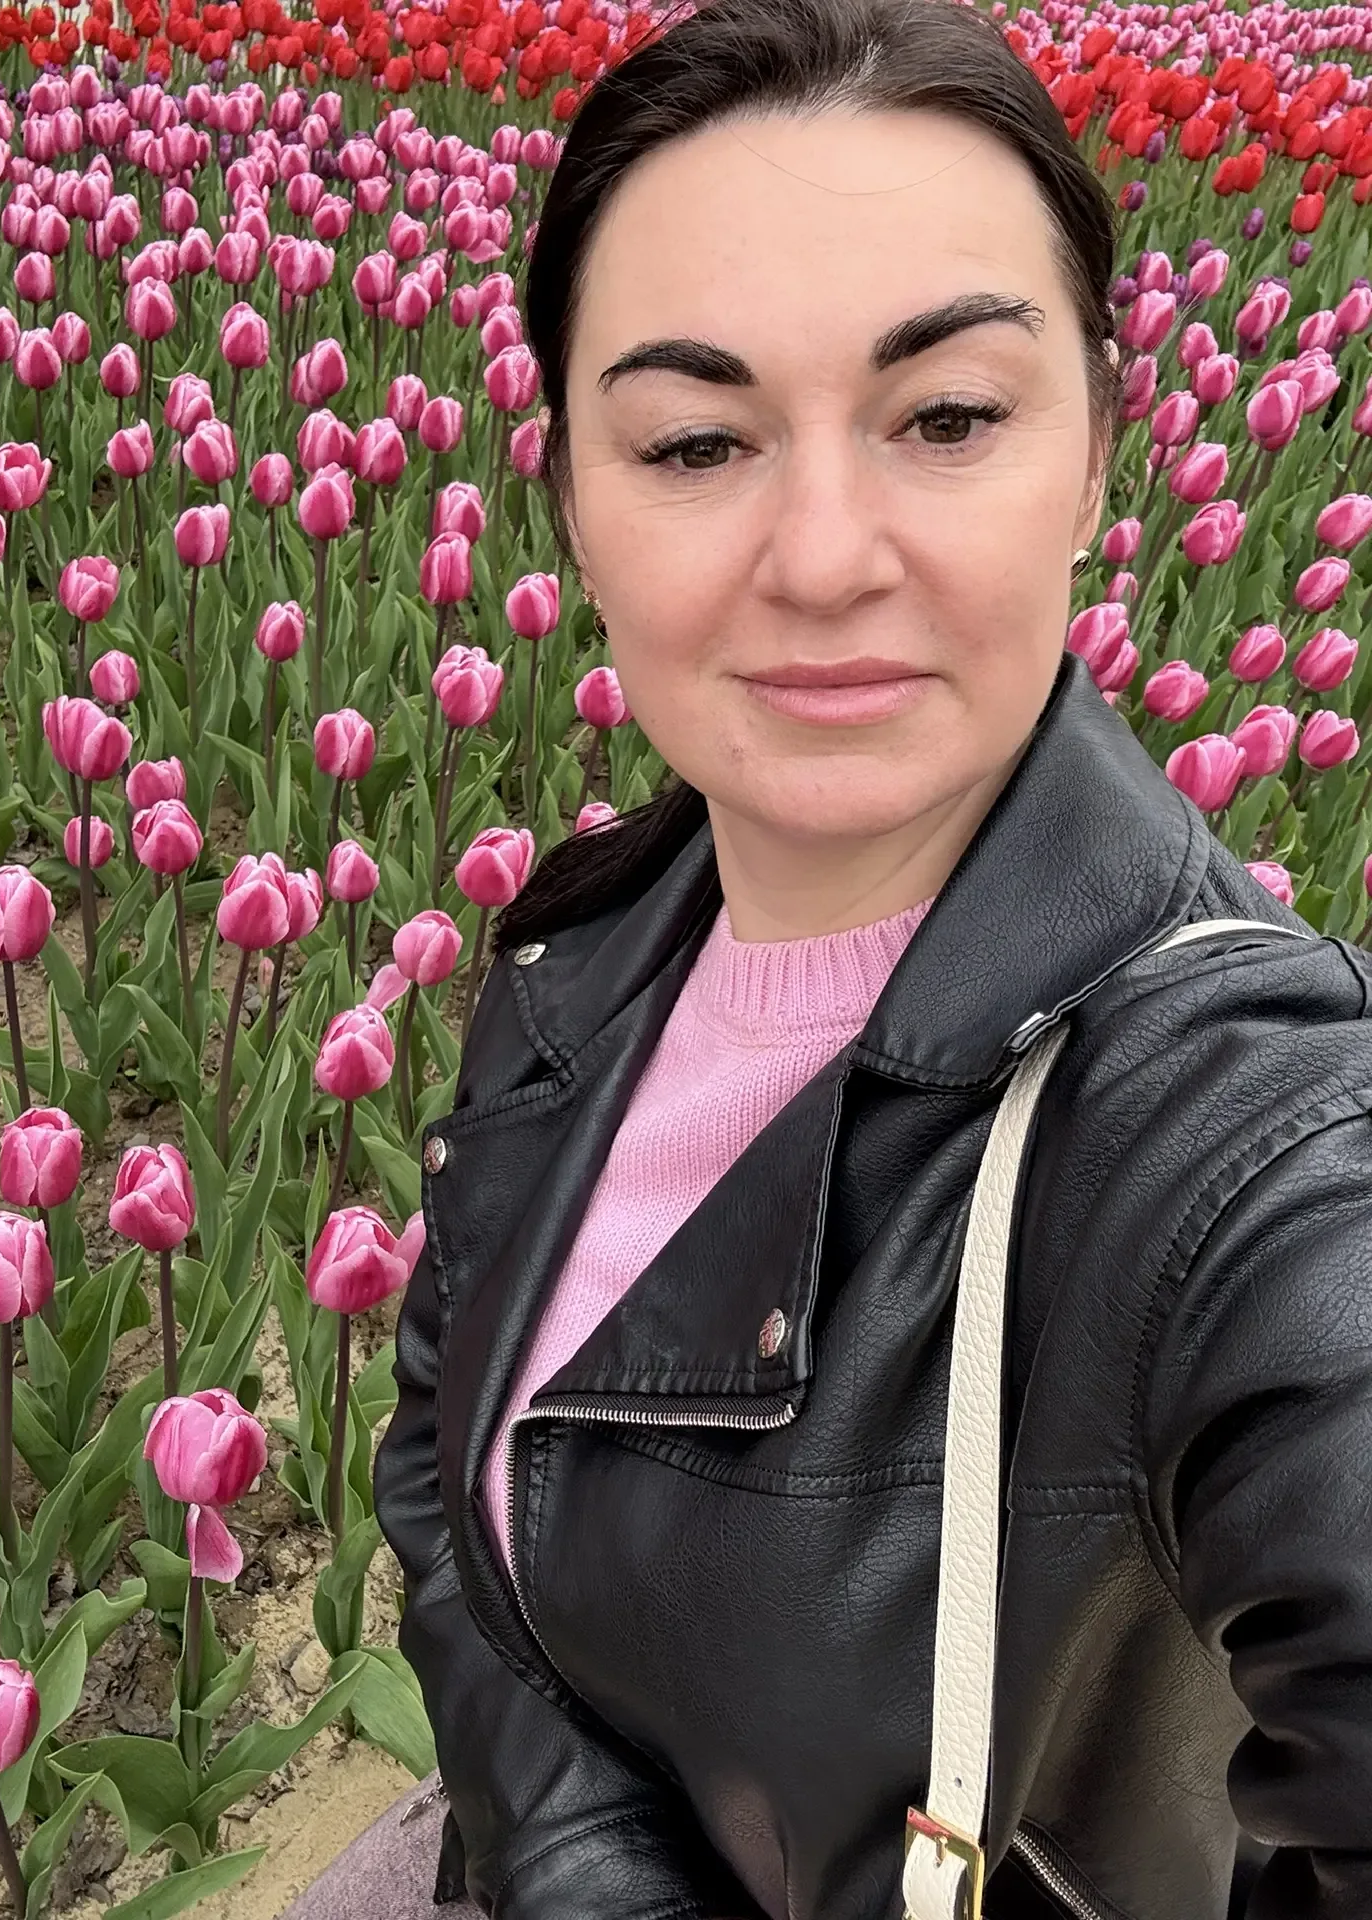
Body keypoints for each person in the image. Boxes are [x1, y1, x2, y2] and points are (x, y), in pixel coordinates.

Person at [290, 0, 1372, 1915]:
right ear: (567, 499)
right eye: (696, 440)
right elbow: (449, 1473)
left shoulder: (1245, 1144)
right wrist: (582, 1867)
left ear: (1100, 456)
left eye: (948, 418)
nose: (821, 556)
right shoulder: (582, 953)